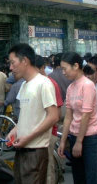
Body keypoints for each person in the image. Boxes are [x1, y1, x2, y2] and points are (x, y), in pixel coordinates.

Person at [6, 44, 59, 184]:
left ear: (25, 61)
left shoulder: (43, 83)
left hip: (36, 150)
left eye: (13, 62)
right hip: (22, 148)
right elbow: (26, 116)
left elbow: (53, 116)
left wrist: (28, 138)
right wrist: (15, 130)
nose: (11, 68)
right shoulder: (24, 85)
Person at [58, 52, 97, 184]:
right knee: (79, 177)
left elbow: (85, 115)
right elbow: (68, 117)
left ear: (76, 66)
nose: (63, 72)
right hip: (75, 135)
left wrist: (79, 142)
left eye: (65, 69)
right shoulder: (71, 87)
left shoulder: (87, 85)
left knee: (91, 178)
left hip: (89, 138)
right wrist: (63, 141)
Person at [34, 55, 64, 184]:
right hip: (35, 134)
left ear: (42, 68)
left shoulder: (49, 83)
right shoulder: (31, 83)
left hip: (47, 133)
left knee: (47, 169)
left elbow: (56, 113)